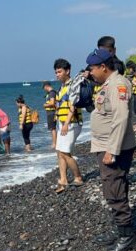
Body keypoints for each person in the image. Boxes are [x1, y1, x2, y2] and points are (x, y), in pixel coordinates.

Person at [87, 48, 136, 251]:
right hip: (106, 144)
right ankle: (119, 230)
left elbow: (120, 117)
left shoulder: (117, 85)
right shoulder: (107, 84)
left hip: (113, 147)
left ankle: (127, 236)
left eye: (92, 68)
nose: (90, 71)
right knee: (115, 187)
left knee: (114, 189)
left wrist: (112, 150)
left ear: (103, 67)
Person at [53, 58, 84, 194]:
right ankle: (63, 179)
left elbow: (73, 105)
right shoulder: (62, 87)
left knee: (65, 152)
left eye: (59, 71)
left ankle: (78, 177)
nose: (57, 74)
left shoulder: (73, 85)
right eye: (56, 72)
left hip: (71, 123)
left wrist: (65, 123)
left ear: (67, 71)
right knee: (60, 152)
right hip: (62, 123)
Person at [42, 81, 58, 149]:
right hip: (50, 112)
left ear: (46, 86)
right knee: (52, 128)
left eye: (44, 88)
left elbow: (52, 103)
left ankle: (55, 144)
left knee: (52, 128)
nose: (44, 90)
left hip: (52, 112)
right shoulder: (50, 93)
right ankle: (54, 143)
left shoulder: (52, 93)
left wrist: (45, 105)